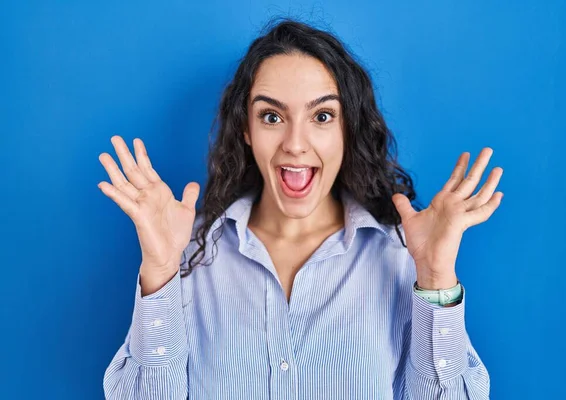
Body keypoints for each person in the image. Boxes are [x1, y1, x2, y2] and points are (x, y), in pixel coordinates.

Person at [99, 18, 501, 399]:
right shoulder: (190, 253)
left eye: (322, 116)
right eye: (271, 116)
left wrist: (434, 277)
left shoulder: (401, 257)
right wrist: (160, 271)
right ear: (246, 130)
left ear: (348, 128)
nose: (295, 142)